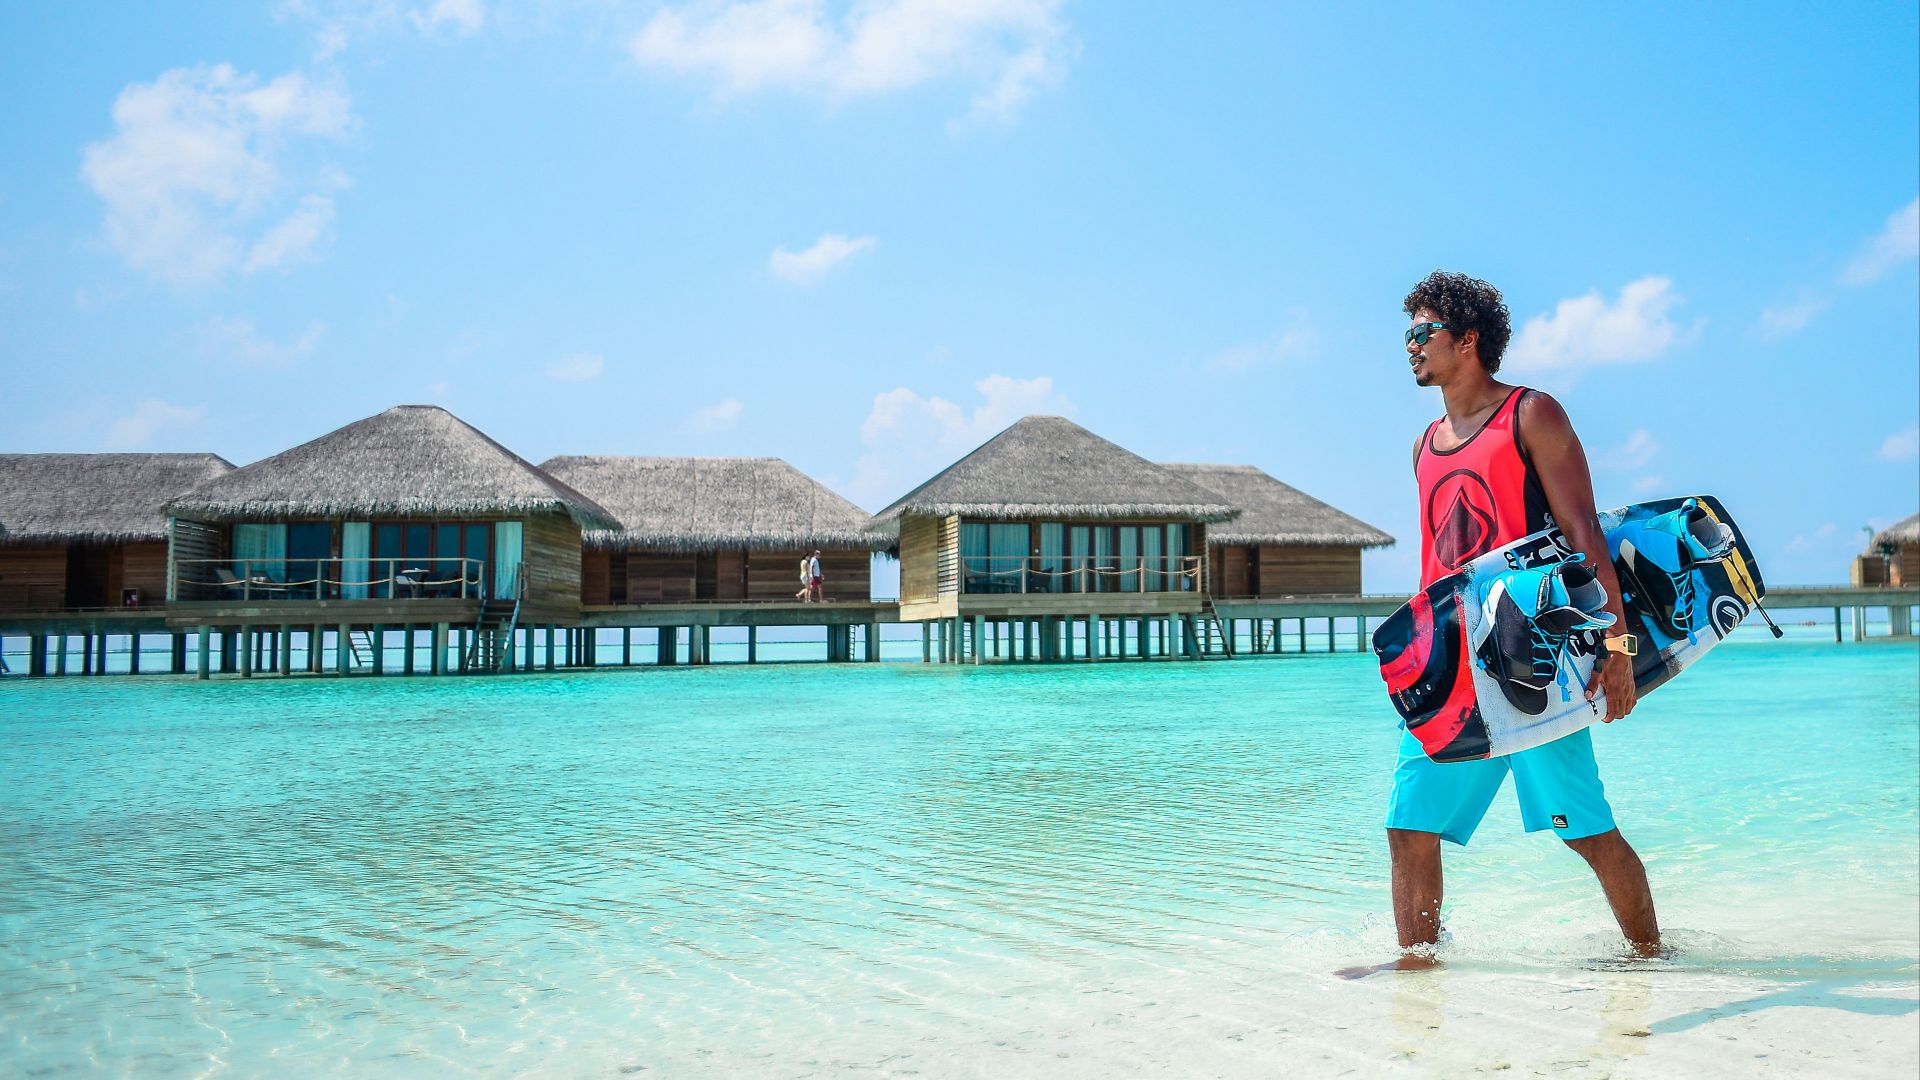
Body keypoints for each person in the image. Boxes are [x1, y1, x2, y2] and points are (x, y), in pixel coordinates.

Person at [1340, 270, 1656, 979]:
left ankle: (1652, 963)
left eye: (1424, 333)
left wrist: (1619, 649)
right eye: (1408, 335)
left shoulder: (1531, 415)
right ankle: (1418, 975)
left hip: (1536, 664)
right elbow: (1438, 566)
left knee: (1587, 833)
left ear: (1468, 340)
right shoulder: (1424, 444)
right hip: (1453, 669)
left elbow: (1585, 537)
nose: (1411, 347)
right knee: (1409, 827)